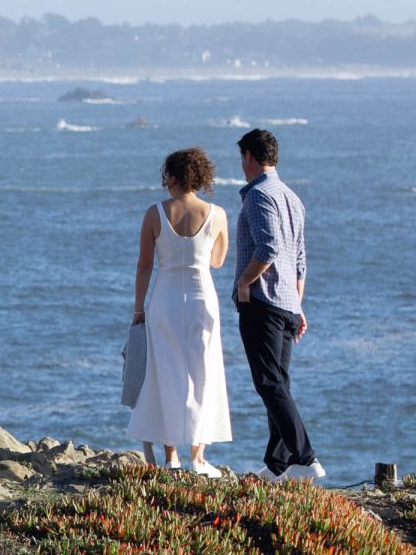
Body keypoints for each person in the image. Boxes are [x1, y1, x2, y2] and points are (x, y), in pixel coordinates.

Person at [128, 147, 232, 477]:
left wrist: (138, 309)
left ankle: (170, 455)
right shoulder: (217, 214)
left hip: (165, 298)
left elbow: (144, 265)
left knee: (165, 374)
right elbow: (217, 260)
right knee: (203, 373)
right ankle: (198, 459)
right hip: (202, 298)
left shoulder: (155, 213)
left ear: (171, 176)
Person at [234, 128, 324, 481]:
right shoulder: (292, 198)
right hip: (287, 303)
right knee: (279, 384)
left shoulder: (259, 196)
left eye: (241, 158)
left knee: (268, 383)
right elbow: (300, 260)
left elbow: (268, 248)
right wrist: (298, 306)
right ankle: (277, 464)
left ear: (250, 157)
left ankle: (305, 457)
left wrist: (244, 280)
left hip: (263, 302)